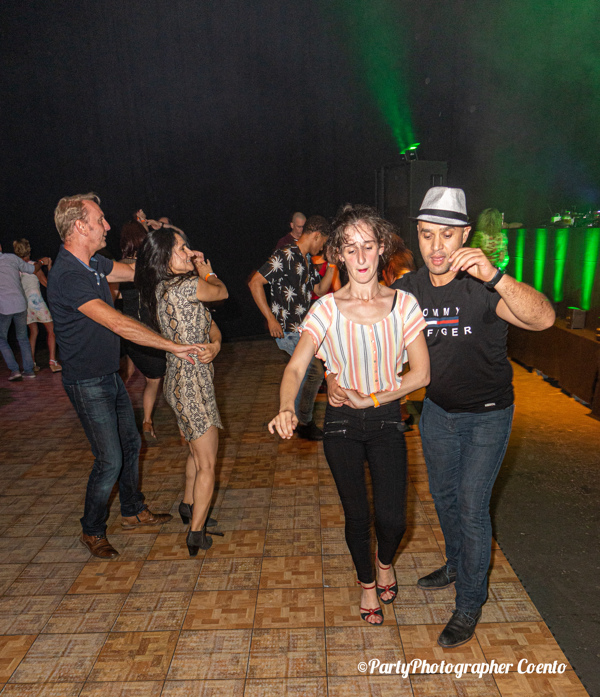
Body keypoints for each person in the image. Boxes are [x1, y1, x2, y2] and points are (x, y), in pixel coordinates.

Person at [387, 187, 555, 647]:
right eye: (427, 235)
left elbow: (543, 319)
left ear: (464, 235)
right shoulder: (408, 290)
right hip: (437, 411)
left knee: (471, 507)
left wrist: (497, 277)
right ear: (417, 236)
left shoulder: (483, 286)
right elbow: (369, 329)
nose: (436, 246)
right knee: (444, 499)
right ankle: (457, 564)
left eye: (447, 235)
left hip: (487, 416)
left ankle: (469, 603)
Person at [269, 204, 430, 625]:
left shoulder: (404, 304)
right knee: (358, 515)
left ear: (382, 249)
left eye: (368, 246)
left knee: (393, 520)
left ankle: (384, 561)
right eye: (351, 248)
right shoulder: (324, 309)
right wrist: (286, 406)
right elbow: (296, 368)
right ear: (338, 253)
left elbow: (421, 374)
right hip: (341, 422)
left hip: (386, 418)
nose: (360, 257)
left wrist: (373, 399)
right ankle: (367, 585)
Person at [47, 192, 203, 559]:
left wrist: (174, 261)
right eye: (99, 220)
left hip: (107, 375)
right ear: (79, 226)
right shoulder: (68, 275)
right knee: (110, 460)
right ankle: (92, 529)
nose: (107, 225)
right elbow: (118, 323)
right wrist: (173, 346)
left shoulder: (91, 263)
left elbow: (133, 271)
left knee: (131, 444)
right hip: (86, 382)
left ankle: (133, 510)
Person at [136, 227, 228, 555]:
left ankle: (189, 506)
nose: (188, 252)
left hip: (183, 380)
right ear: (164, 259)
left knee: (196, 453)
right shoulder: (187, 285)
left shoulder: (165, 288)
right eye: (181, 248)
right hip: (191, 385)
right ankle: (196, 533)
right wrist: (207, 270)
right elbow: (221, 292)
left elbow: (210, 324)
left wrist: (215, 346)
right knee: (207, 464)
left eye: (187, 246)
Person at [249, 215, 336, 440]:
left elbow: (320, 289)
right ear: (316, 235)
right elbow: (255, 282)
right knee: (314, 371)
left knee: (308, 373)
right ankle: (303, 422)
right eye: (322, 242)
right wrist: (270, 318)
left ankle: (296, 419)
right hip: (287, 329)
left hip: (303, 330)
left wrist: (333, 265)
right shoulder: (285, 254)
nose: (322, 247)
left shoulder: (305, 258)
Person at [116, 221, 167, 444]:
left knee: (147, 378)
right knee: (159, 380)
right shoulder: (151, 266)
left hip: (130, 333)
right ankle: (180, 428)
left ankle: (145, 421)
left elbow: (112, 297)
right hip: (152, 330)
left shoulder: (117, 267)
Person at [12, 238, 62, 373]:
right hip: (36, 302)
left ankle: (31, 363)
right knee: (51, 330)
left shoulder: (16, 268)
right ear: (29, 250)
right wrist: (49, 267)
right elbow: (48, 284)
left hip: (24, 304)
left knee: (33, 332)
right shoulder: (34, 266)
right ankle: (53, 361)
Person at [0, 242, 46, 380]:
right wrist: (41, 262)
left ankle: (15, 370)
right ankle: (28, 370)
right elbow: (32, 269)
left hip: (4, 307)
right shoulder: (12, 258)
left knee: (1, 338)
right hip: (20, 304)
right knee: (22, 337)